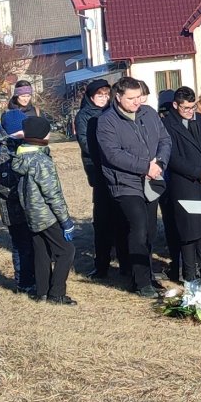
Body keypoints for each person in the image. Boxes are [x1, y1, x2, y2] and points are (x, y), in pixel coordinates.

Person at [96, 77, 171, 295]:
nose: (137, 101)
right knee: (138, 227)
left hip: (152, 179)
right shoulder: (107, 121)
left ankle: (148, 274)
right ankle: (141, 282)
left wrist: (159, 163)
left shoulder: (149, 113)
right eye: (131, 98)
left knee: (149, 230)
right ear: (118, 97)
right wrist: (144, 167)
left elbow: (165, 140)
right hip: (125, 183)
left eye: (139, 97)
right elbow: (113, 154)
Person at [161, 86, 201, 284]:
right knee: (189, 231)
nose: (190, 111)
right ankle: (189, 274)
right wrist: (198, 173)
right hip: (185, 183)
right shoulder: (167, 125)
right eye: (185, 108)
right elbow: (172, 157)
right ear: (175, 105)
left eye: (192, 107)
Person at [13, 114, 76, 305]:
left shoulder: (21, 155)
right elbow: (53, 194)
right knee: (66, 251)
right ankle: (56, 293)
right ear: (42, 135)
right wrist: (65, 220)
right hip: (46, 215)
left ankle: (42, 292)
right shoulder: (41, 161)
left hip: (31, 214)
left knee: (41, 251)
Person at [0, 81, 44, 290]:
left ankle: (33, 277)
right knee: (21, 245)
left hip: (26, 205)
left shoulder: (17, 146)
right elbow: (6, 187)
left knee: (30, 244)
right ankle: (24, 282)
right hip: (14, 209)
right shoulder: (4, 155)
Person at [75, 81, 121, 279]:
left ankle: (122, 258)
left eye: (106, 94)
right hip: (98, 168)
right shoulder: (84, 115)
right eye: (99, 95)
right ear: (91, 97)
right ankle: (101, 263)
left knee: (120, 215)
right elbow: (85, 142)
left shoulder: (113, 111)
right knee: (102, 218)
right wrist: (107, 153)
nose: (103, 98)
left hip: (117, 168)